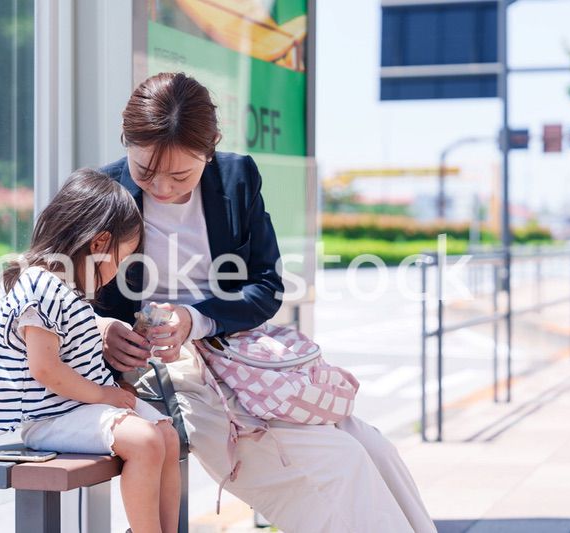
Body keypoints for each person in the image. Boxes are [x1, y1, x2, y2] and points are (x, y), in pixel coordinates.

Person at [96, 72, 437, 533]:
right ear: (126, 141)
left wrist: (195, 319)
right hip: (162, 372)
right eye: (144, 170)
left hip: (235, 353)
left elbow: (265, 285)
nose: (161, 188)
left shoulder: (236, 178)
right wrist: (103, 329)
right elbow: (51, 284)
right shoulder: (101, 191)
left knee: (371, 446)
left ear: (210, 149)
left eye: (180, 174)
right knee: (336, 462)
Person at [0, 169, 180, 533]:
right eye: (122, 257)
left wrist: (116, 389)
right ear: (99, 243)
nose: (119, 271)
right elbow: (46, 370)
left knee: (166, 434)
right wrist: (104, 394)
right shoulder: (40, 287)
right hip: (49, 419)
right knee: (148, 440)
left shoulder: (65, 291)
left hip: (77, 410)